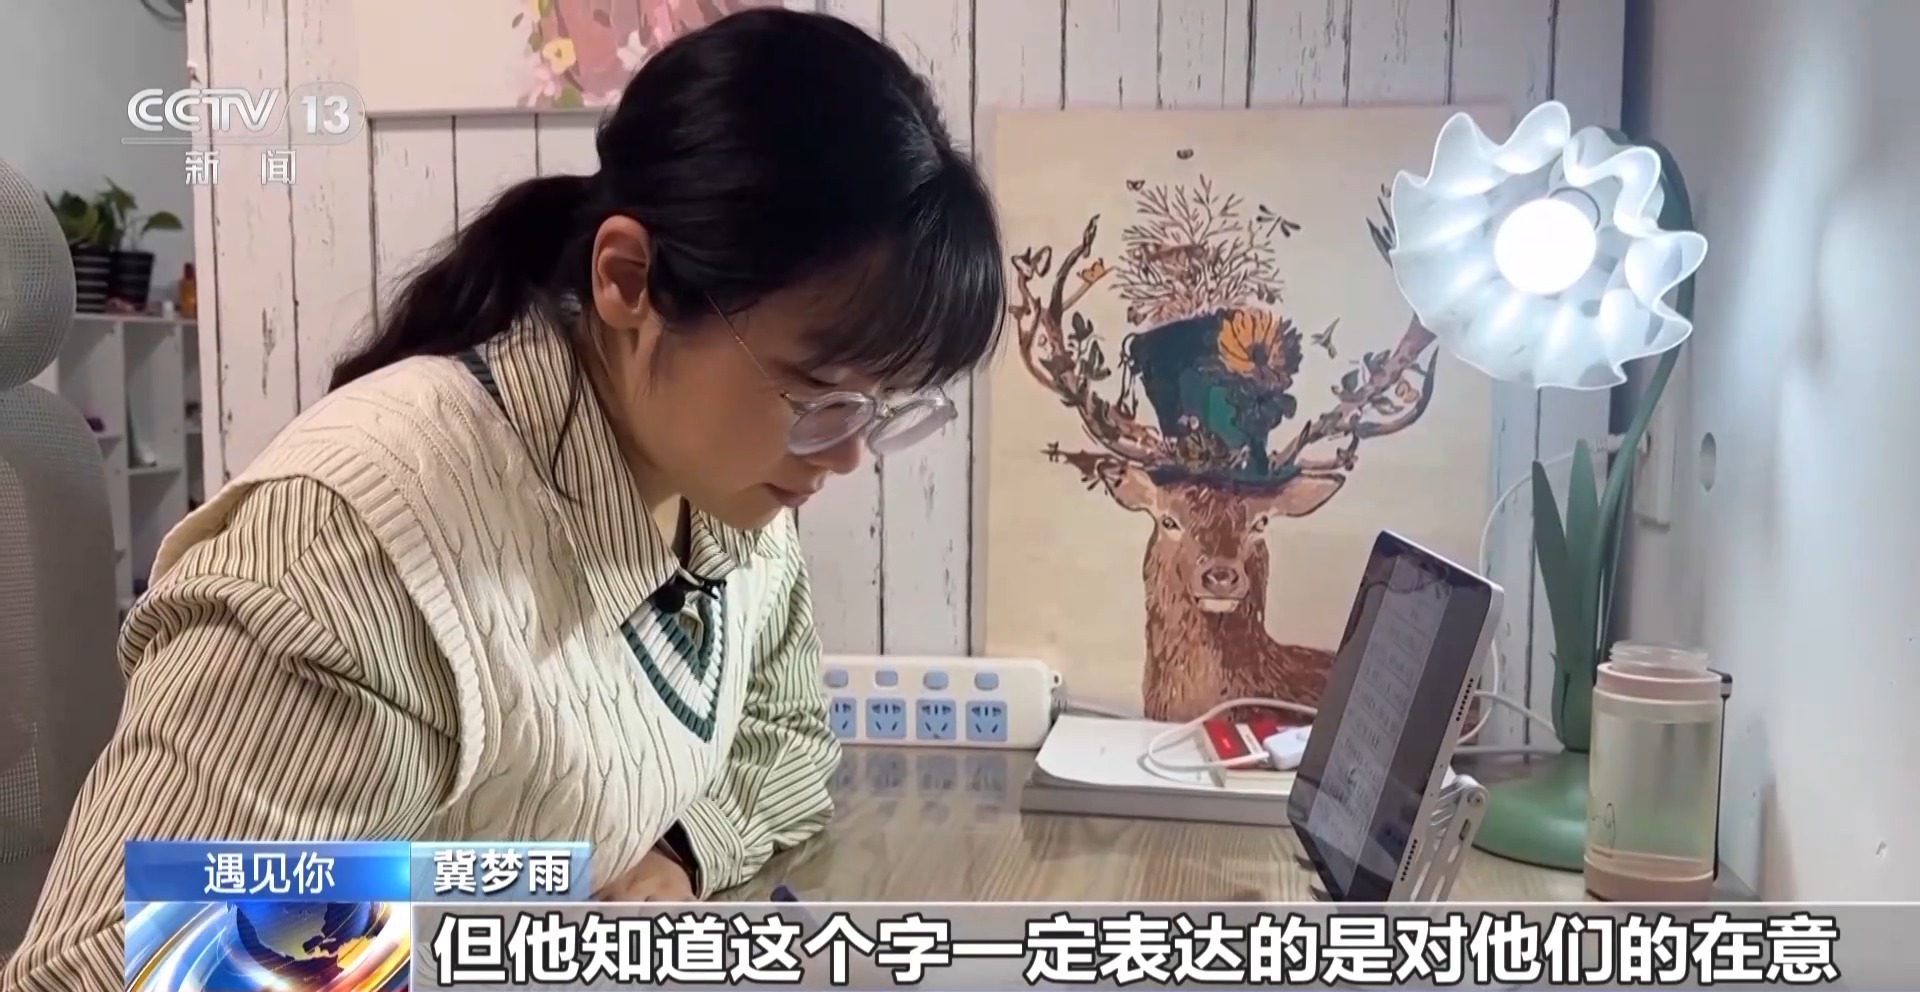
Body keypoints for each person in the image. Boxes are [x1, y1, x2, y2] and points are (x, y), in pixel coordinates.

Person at [2, 8, 1003, 987]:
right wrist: (527, 927)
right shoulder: (355, 555)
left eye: (879, 407)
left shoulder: (735, 496)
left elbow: (785, 743)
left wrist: (677, 854)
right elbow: (103, 963)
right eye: (819, 394)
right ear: (628, 281)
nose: (846, 454)